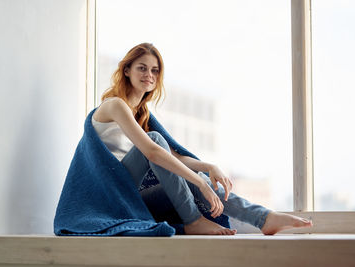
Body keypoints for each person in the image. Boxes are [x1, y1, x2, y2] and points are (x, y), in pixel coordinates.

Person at [91, 42, 313, 235]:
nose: (149, 74)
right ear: (127, 70)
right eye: (142, 68)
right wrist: (198, 180)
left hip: (135, 196)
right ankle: (193, 220)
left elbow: (172, 157)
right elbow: (153, 151)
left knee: (196, 176)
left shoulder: (141, 114)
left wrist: (208, 167)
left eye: (155, 70)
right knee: (163, 147)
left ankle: (263, 218)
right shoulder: (115, 105)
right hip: (115, 196)